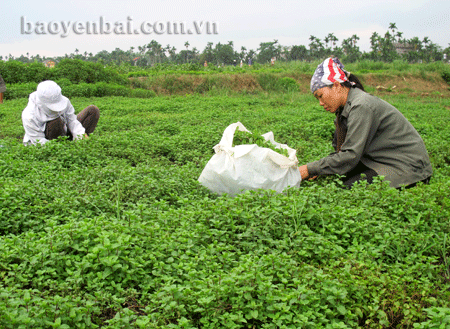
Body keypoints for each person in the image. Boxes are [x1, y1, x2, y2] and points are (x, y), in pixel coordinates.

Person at [298, 57, 432, 189]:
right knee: (339, 178)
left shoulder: (361, 106)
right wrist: (317, 169)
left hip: (406, 167)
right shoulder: (345, 110)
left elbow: (350, 155)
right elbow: (343, 152)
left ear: (337, 85)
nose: (320, 103)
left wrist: (309, 169)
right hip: (379, 160)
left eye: (320, 96)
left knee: (347, 188)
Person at [22, 80, 99, 145]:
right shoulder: (29, 115)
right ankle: (64, 144)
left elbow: (72, 121)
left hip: (65, 130)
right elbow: (38, 141)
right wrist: (61, 149)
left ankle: (81, 143)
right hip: (49, 141)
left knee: (92, 110)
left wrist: (81, 135)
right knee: (55, 121)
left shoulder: (65, 101)